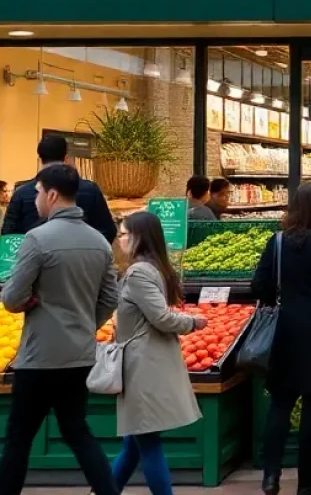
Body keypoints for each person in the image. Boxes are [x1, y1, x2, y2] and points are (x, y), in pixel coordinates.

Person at [0, 164, 120, 495]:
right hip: (79, 355)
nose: (36, 198)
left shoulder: (37, 239)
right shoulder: (98, 241)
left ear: (52, 195)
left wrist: (27, 301)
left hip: (38, 357)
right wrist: (86, 323)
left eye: (38, 192)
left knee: (19, 437)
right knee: (78, 431)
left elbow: (11, 298)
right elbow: (111, 295)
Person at [253, 183, 311, 495]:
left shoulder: (277, 242)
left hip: (285, 331)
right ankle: (308, 482)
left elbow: (259, 285)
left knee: (280, 404)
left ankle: (270, 477)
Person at [111, 211, 206, 495]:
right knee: (134, 441)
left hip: (143, 366)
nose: (120, 239)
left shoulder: (139, 271)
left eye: (124, 234)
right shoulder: (151, 268)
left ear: (139, 237)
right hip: (146, 361)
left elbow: (161, 317)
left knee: (146, 441)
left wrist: (193, 322)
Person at [2, 134, 116, 241]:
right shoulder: (90, 190)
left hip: (33, 258)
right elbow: (108, 231)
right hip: (80, 259)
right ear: (66, 158)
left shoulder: (22, 192)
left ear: (40, 159)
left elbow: (8, 235)